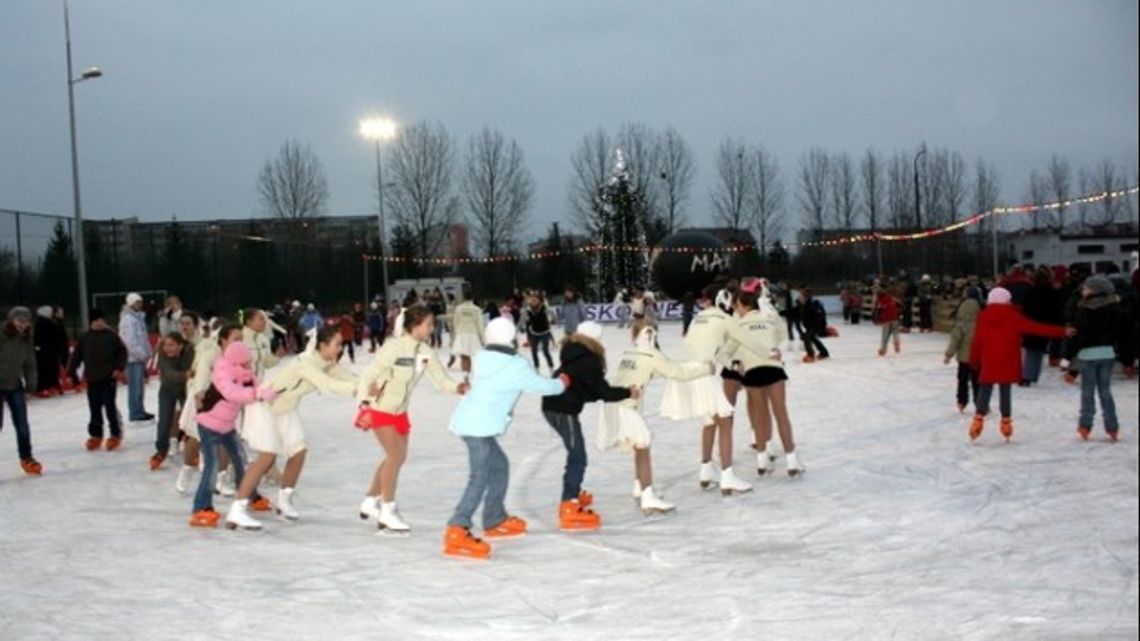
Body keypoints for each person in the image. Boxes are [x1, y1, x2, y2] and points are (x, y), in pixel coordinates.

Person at [443, 318, 570, 559]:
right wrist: (561, 383)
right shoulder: (515, 365)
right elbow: (541, 386)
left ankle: (494, 517)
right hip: (478, 427)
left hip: (471, 422)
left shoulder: (481, 357)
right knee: (479, 477)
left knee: (499, 466)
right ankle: (457, 528)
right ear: (511, 336)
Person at [355, 305, 469, 533]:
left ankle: (370, 501)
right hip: (380, 409)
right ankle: (388, 509)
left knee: (394, 457)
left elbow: (440, 380)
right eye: (428, 324)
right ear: (415, 325)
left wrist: (458, 387)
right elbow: (369, 375)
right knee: (396, 456)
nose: (431, 328)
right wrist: (364, 404)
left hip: (401, 413)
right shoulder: (393, 347)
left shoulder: (425, 351)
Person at [235, 326, 358, 527]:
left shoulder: (326, 362)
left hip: (286, 408)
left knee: (298, 452)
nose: (340, 348)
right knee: (267, 457)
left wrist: (369, 385)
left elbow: (348, 376)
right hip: (266, 406)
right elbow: (327, 384)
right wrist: (357, 389)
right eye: (337, 344)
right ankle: (237, 509)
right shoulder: (305, 363)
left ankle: (284, 500)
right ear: (323, 345)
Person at [660, 285, 772, 494]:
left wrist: (731, 365)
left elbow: (714, 352)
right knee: (725, 421)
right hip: (702, 373)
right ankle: (727, 476)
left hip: (685, 373)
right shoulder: (725, 319)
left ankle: (706, 471)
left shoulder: (698, 318)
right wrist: (769, 354)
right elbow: (748, 341)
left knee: (710, 421)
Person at [597, 319, 708, 513]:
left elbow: (649, 371)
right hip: (626, 406)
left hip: (616, 405)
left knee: (639, 445)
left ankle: (640, 486)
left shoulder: (629, 353)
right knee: (643, 445)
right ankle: (648, 495)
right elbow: (678, 373)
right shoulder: (651, 355)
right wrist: (706, 369)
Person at [542, 321, 635, 531]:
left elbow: (588, 389)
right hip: (561, 409)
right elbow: (603, 392)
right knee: (578, 456)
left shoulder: (574, 353)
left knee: (576, 454)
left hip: (556, 405)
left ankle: (572, 494)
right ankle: (569, 503)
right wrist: (628, 392)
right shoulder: (588, 360)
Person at [190, 341, 277, 529]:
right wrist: (256, 393)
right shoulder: (222, 373)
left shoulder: (245, 374)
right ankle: (200, 508)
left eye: (249, 363)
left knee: (241, 461)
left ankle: (250, 495)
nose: (248, 366)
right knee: (211, 466)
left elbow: (257, 386)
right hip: (209, 424)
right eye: (245, 363)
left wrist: (269, 392)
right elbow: (232, 393)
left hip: (227, 426)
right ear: (236, 362)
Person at [968, 287, 1069, 442]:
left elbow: (977, 341)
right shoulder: (1013, 317)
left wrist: (974, 360)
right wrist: (1062, 331)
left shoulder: (983, 317)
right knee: (1005, 390)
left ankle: (978, 419)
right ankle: (1006, 422)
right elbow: (1037, 328)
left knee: (985, 387)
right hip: (1007, 360)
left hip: (989, 360)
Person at [730, 290, 804, 477]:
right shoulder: (769, 317)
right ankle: (791, 459)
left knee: (761, 416)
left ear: (745, 306)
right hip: (773, 368)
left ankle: (761, 460)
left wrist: (740, 363)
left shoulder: (738, 323)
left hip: (753, 370)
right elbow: (781, 333)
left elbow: (733, 349)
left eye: (737, 305)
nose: (735, 308)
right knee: (781, 414)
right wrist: (772, 347)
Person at [175, 322, 242, 495]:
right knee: (196, 438)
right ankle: (187, 470)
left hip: (227, 401)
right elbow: (202, 374)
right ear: (223, 340)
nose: (239, 342)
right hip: (204, 398)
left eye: (241, 339)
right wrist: (199, 395)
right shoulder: (211, 354)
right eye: (236, 339)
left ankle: (221, 478)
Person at [1066, 275, 1126, 442]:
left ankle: (1085, 424)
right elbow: (1122, 331)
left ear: (1095, 290)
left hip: (1088, 355)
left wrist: (1068, 357)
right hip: (1107, 353)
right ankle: (1112, 426)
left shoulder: (1084, 309)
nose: (1083, 290)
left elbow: (1078, 335)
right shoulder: (1114, 307)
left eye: (1086, 288)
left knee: (1088, 391)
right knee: (1105, 391)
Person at [69, 309, 128, 452]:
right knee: (94, 407)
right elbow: (77, 356)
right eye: (97, 320)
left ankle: (115, 434)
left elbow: (122, 352)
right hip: (92, 378)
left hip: (109, 378)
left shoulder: (111, 336)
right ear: (91, 322)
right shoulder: (85, 338)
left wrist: (118, 368)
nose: (100, 323)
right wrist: (72, 371)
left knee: (109, 406)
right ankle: (96, 434)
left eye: (102, 320)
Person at [0, 307, 41, 475]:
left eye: (26, 321)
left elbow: (30, 364)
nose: (23, 324)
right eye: (19, 320)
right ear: (11, 320)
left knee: (22, 424)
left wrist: (31, 383)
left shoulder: (26, 340)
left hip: (14, 385)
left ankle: (26, 457)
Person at [151, 332, 194, 470]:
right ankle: (161, 451)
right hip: (168, 388)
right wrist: (186, 374)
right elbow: (168, 373)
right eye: (165, 345)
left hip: (186, 389)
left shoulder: (190, 352)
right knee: (164, 421)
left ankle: (193, 450)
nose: (167, 348)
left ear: (181, 346)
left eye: (171, 345)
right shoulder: (162, 353)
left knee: (190, 420)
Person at [1020, 266, 1063, 387]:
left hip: (1030, 323)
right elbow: (1057, 310)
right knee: (1039, 350)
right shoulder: (1053, 292)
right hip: (1046, 324)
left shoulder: (1030, 291)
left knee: (1031, 350)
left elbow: (1024, 307)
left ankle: (1027, 376)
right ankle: (1032, 375)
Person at [944, 287, 983, 414]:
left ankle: (961, 401)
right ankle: (980, 403)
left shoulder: (961, 320)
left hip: (964, 358)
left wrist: (949, 354)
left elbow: (955, 338)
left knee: (962, 380)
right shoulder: (983, 316)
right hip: (978, 356)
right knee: (978, 381)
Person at [119, 292, 154, 422]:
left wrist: (147, 352)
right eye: (137, 302)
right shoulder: (127, 319)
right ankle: (135, 412)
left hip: (139, 358)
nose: (140, 304)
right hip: (132, 359)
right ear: (131, 304)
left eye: (140, 302)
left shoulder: (138, 318)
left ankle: (140, 409)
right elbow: (130, 341)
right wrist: (141, 354)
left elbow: (143, 338)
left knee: (139, 386)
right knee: (134, 386)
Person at [32, 305, 68, 397]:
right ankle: (44, 387)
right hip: (47, 352)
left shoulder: (50, 323)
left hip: (51, 351)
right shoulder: (45, 324)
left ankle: (51, 385)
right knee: (46, 369)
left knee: (52, 369)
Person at [449, 290, 485, 374]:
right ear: (472, 298)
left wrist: (456, 335)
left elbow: (455, 323)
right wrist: (483, 339)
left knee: (464, 356)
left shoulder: (459, 308)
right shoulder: (477, 309)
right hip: (472, 334)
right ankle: (467, 374)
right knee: (468, 356)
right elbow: (480, 325)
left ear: (463, 298)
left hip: (461, 334)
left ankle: (465, 375)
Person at [518, 292, 555, 372]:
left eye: (535, 300)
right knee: (534, 351)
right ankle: (536, 367)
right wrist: (520, 327)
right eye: (532, 300)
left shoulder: (544, 308)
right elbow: (521, 320)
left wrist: (553, 320)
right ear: (530, 301)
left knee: (545, 351)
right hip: (534, 333)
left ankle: (551, 367)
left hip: (545, 332)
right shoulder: (527, 310)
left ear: (539, 300)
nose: (534, 301)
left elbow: (553, 314)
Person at [798, 288, 830, 363]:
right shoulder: (805, 305)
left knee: (807, 337)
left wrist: (821, 326)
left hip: (815, 326)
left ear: (806, 297)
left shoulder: (813, 305)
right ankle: (824, 353)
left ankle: (810, 355)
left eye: (801, 297)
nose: (799, 298)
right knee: (812, 338)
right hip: (810, 326)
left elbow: (820, 316)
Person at [873, 287, 903, 357]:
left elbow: (877, 311)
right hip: (895, 318)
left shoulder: (879, 300)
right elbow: (900, 304)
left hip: (886, 319)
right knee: (895, 332)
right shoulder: (891, 297)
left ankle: (883, 350)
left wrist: (876, 319)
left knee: (885, 336)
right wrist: (899, 313)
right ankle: (896, 342)